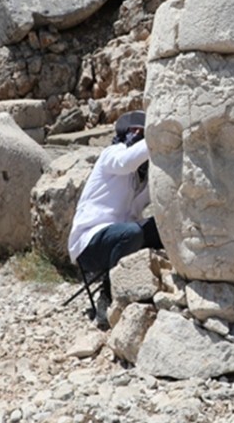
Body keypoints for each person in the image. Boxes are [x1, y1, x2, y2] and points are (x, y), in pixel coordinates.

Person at [67, 110, 163, 328]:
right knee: (131, 233)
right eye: (137, 131)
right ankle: (107, 296)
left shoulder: (141, 176)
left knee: (162, 228)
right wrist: (158, 137)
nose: (138, 135)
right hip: (89, 243)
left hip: (122, 237)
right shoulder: (112, 154)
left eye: (142, 132)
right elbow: (126, 162)